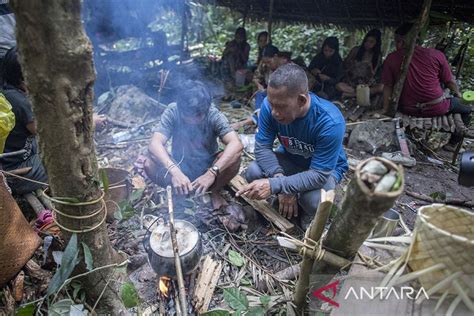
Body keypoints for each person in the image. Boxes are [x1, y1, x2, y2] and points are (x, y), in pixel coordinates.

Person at [237, 64, 348, 229]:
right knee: (253, 171)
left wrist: (278, 186)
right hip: (290, 161)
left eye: (280, 107)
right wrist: (279, 179)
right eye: (271, 103)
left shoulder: (330, 122)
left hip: (322, 170)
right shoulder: (270, 106)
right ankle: (288, 201)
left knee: (312, 201)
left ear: (301, 100)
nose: (274, 112)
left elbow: (318, 175)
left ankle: (303, 209)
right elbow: (262, 148)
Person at [145, 80, 243, 209]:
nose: (193, 120)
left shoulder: (213, 114)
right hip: (179, 165)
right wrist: (174, 171)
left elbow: (236, 144)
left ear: (207, 108)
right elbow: (155, 144)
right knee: (149, 163)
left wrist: (211, 173)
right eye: (188, 115)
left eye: (198, 115)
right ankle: (178, 191)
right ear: (181, 108)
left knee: (235, 158)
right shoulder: (173, 111)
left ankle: (214, 191)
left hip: (208, 167)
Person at [382, 23, 473, 146]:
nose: (397, 44)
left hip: (406, 108)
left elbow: (387, 86)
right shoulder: (436, 55)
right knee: (467, 108)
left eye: (397, 41)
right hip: (436, 107)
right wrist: (458, 95)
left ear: (402, 41)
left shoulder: (391, 58)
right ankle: (452, 145)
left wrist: (386, 109)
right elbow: (450, 82)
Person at [0, 47, 48, 195]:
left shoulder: (6, 92)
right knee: (64, 160)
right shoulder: (21, 103)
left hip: (9, 161)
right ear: (24, 77)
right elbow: (48, 133)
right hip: (15, 174)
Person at [232, 45, 291, 130]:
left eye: (269, 62)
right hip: (270, 95)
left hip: (285, 99)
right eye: (265, 63)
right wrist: (259, 85)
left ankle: (255, 124)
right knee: (260, 95)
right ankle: (258, 122)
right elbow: (256, 77)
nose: (267, 65)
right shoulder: (265, 65)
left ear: (275, 57)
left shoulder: (288, 67)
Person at [336, 29, 384, 100]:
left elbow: (373, 74)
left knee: (381, 87)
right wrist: (353, 65)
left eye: (371, 42)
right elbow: (345, 65)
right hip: (352, 82)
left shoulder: (377, 56)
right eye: (366, 41)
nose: (368, 44)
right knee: (338, 86)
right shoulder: (356, 50)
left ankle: (352, 95)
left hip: (366, 84)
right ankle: (360, 94)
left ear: (376, 44)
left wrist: (370, 67)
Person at [221, 27, 251, 100]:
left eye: (241, 37)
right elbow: (223, 56)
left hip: (240, 68)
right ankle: (229, 95)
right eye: (237, 37)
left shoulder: (246, 46)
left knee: (239, 86)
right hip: (229, 68)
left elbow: (245, 59)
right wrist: (229, 50)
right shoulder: (231, 44)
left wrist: (239, 51)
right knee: (229, 84)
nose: (239, 39)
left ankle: (239, 97)